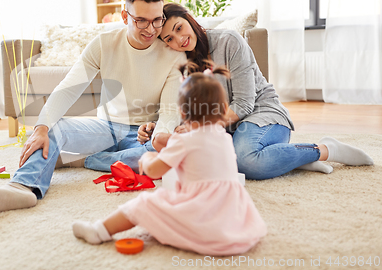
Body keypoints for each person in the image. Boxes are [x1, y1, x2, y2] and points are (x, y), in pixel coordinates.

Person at [0, 0, 186, 215]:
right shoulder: (103, 44)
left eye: (157, 20)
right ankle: (22, 187)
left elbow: (169, 111)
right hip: (105, 127)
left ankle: (81, 161)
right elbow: (68, 88)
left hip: (144, 134)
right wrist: (41, 126)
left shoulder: (173, 56)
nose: (151, 29)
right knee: (52, 130)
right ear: (125, 16)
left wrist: (160, 137)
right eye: (141, 21)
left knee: (163, 154)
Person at [140, 3, 374, 180]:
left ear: (189, 19)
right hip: (228, 129)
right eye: (169, 38)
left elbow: (244, 103)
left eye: (179, 28)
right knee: (193, 151)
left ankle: (324, 149)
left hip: (262, 114)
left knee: (246, 161)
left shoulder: (228, 41)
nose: (179, 39)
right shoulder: (180, 65)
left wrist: (201, 129)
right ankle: (289, 159)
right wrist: (160, 126)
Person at [72, 64, 267, 256]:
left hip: (203, 216)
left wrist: (148, 158)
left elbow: (155, 171)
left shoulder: (183, 141)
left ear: (182, 112)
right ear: (224, 108)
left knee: (145, 203)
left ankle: (99, 231)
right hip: (232, 220)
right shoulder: (224, 138)